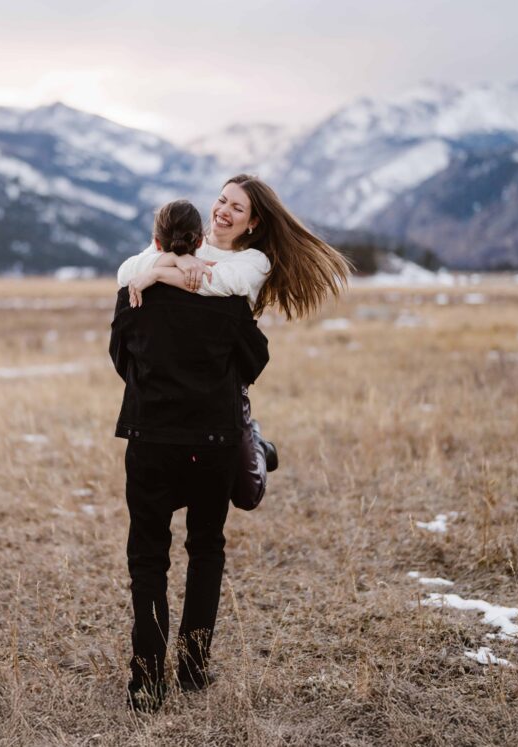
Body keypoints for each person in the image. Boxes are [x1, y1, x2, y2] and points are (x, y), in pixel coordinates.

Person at [109, 199, 270, 712]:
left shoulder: (135, 293)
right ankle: (195, 668)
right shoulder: (229, 298)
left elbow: (120, 357)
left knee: (148, 557)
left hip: (150, 439)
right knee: (205, 550)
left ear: (155, 242)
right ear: (198, 239)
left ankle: (148, 683)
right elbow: (256, 360)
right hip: (213, 444)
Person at [116, 174, 354, 507]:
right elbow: (126, 273)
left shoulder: (254, 262)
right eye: (223, 199)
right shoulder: (189, 243)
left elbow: (216, 282)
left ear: (253, 222)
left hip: (222, 386)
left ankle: (254, 439)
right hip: (176, 382)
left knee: (245, 494)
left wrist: (157, 272)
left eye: (237, 207)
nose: (224, 210)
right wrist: (178, 259)